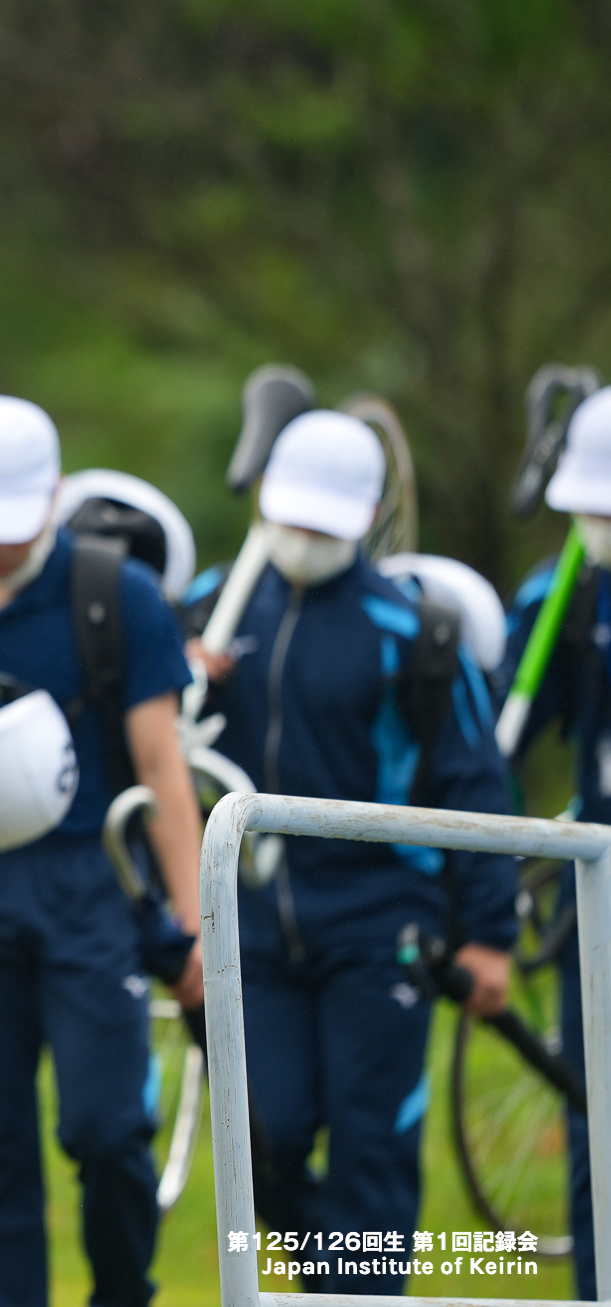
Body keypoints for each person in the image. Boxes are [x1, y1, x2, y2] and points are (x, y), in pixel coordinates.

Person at [192, 410, 515, 1295]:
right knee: (271, 1132)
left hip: (380, 923)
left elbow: (474, 780)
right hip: (249, 926)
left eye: (323, 522)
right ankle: (336, 1284)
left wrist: (489, 931)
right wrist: (182, 665)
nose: (301, 537)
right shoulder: (216, 607)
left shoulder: (412, 631)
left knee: (373, 1139)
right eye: (290, 515)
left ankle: (359, 1294)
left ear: (367, 518)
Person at [0, 394, 204, 1307]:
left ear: (53, 494)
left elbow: (163, 768)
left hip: (91, 884)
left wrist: (194, 919)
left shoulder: (115, 594)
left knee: (106, 1126)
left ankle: (125, 1289)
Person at [496, 387, 611, 1299]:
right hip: (596, 882)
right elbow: (495, 744)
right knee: (594, 1108)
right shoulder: (561, 596)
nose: (595, 522)